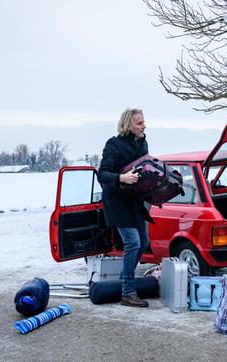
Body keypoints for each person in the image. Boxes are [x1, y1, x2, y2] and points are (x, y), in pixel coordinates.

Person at [98, 108, 152, 308]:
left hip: (135, 200)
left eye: (143, 122)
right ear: (128, 125)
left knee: (144, 241)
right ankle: (128, 292)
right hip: (117, 203)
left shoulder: (143, 143)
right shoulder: (113, 145)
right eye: (139, 123)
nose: (143, 126)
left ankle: (122, 280)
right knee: (133, 242)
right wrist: (122, 178)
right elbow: (102, 174)